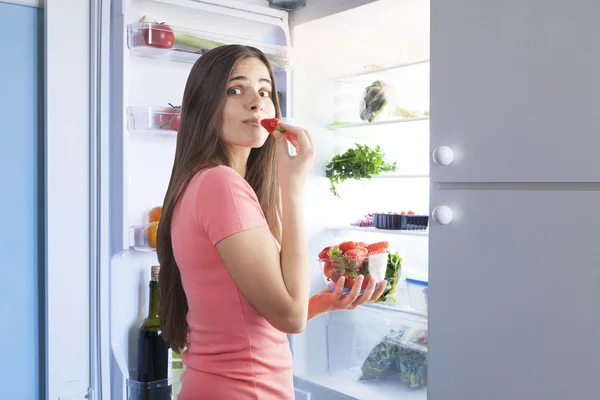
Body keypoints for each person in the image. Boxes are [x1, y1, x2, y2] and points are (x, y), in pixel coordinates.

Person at [156, 44, 387, 400]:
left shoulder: (201, 181)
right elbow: (289, 319)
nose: (256, 101)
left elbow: (247, 322)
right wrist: (291, 188)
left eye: (265, 91)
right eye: (236, 90)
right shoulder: (221, 185)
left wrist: (325, 302)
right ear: (204, 105)